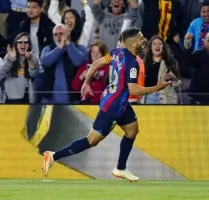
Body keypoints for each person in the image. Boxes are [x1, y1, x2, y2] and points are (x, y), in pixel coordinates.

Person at [41, 27, 173, 181]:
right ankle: (53, 156)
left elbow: (96, 63)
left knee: (132, 130)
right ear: (131, 43)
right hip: (113, 107)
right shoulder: (132, 63)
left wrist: (86, 83)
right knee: (91, 140)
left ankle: (120, 168)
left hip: (117, 102)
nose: (144, 40)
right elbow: (133, 90)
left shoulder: (117, 53)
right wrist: (157, 87)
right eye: (140, 38)